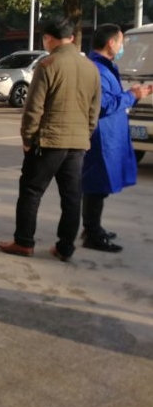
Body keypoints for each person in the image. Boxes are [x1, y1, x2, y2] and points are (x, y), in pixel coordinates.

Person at [0, 19, 101, 262]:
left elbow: (34, 107)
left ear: (48, 39)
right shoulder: (90, 68)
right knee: (72, 197)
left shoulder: (48, 65)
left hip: (49, 141)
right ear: (72, 38)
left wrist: (28, 137)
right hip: (77, 143)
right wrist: (85, 134)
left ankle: (24, 242)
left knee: (31, 191)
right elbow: (94, 109)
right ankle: (65, 247)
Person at [81, 24, 153, 252]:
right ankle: (92, 233)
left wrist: (133, 95)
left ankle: (93, 227)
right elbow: (104, 105)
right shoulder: (98, 70)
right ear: (111, 43)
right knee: (96, 185)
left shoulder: (104, 66)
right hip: (102, 135)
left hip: (110, 133)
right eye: (121, 42)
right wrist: (132, 95)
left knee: (100, 186)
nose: (122, 47)